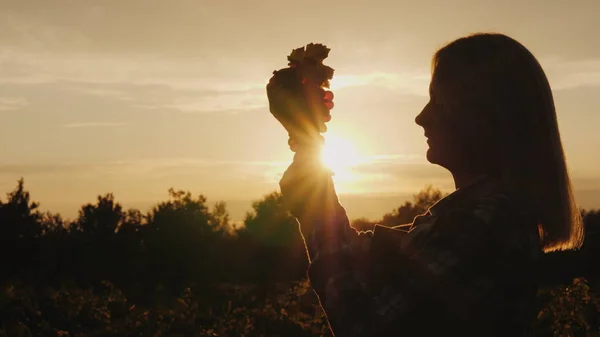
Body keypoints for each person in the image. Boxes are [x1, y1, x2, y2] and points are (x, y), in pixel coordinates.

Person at [266, 33, 584, 337]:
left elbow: (365, 327)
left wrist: (312, 193)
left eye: (438, 102)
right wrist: (305, 140)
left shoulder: (487, 222)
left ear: (483, 118)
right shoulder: (466, 220)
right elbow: (358, 253)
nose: (421, 118)